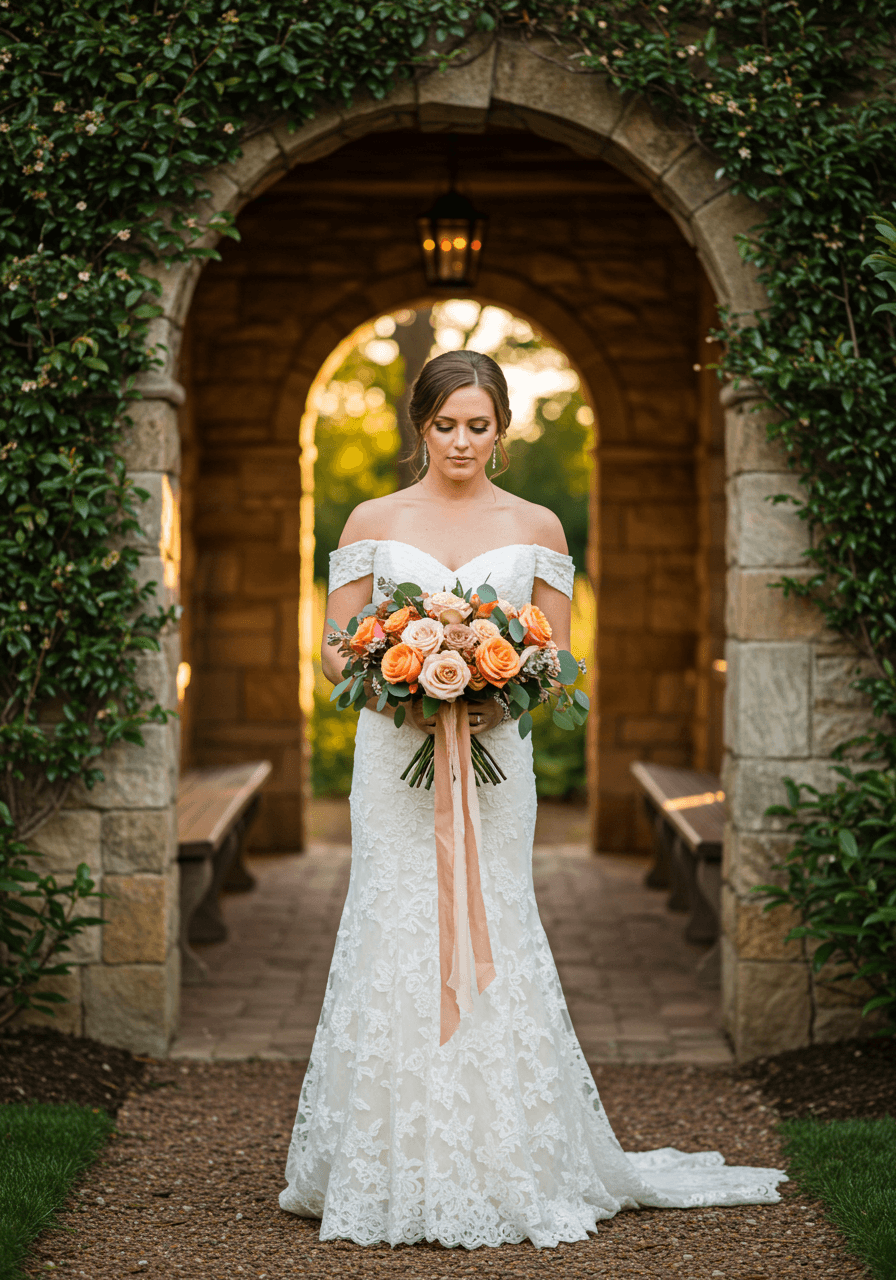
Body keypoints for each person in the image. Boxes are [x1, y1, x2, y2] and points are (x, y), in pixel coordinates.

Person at [279, 350, 786, 1249]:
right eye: (444, 425)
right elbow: (332, 647)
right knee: (395, 925)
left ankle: (503, 1153)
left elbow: (553, 658)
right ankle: (386, 1159)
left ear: (501, 429)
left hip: (496, 763)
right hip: (392, 760)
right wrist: (404, 682)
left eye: (478, 425)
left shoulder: (540, 525)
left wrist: (487, 689)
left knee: (495, 927)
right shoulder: (372, 517)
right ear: (419, 426)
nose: (461, 442)